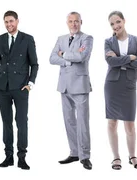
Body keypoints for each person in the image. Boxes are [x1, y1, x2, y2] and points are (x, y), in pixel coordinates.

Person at [0, 10, 39, 170]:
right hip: (2, 87)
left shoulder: (27, 39)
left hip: (21, 87)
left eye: (11, 21)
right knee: (6, 122)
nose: (8, 24)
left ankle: (22, 157)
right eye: (6, 22)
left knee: (21, 122)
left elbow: (34, 64)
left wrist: (30, 84)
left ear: (17, 21)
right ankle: (8, 156)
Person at [50, 11, 94, 170]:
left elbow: (82, 57)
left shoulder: (87, 38)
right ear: (67, 23)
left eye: (76, 21)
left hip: (80, 85)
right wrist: (68, 60)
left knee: (83, 122)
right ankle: (74, 152)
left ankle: (85, 156)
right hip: (64, 85)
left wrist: (63, 54)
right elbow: (52, 58)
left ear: (81, 22)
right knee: (69, 121)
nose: (74, 24)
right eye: (71, 21)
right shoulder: (60, 39)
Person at [104, 10, 137, 170]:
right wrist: (130, 58)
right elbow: (110, 61)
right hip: (112, 84)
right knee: (112, 122)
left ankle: (133, 156)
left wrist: (119, 59)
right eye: (112, 24)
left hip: (129, 84)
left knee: (130, 123)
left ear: (124, 21)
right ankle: (116, 158)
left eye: (118, 22)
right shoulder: (108, 42)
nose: (115, 26)